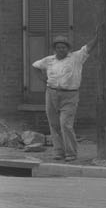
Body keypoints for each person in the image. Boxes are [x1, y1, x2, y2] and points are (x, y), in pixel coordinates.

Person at [32, 30, 97, 162]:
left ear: (68, 48)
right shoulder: (49, 60)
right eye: (58, 47)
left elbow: (89, 48)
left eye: (63, 47)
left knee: (65, 124)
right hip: (51, 94)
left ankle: (71, 153)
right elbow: (35, 66)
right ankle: (58, 152)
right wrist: (43, 80)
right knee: (54, 124)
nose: (61, 49)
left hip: (70, 95)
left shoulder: (76, 57)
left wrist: (98, 36)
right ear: (54, 49)